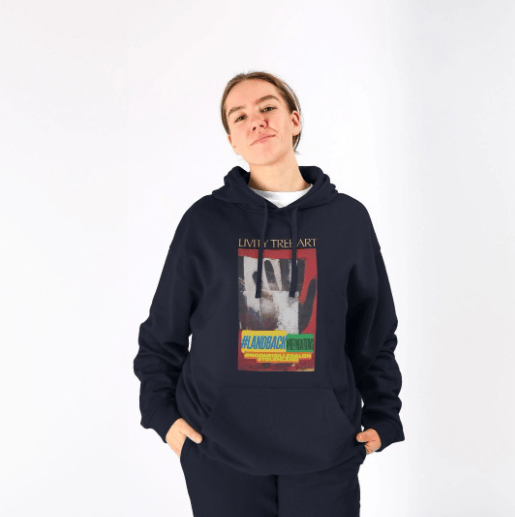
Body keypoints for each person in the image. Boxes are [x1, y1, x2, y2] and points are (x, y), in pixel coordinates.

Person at [133, 71, 405, 516]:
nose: (255, 120)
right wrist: (165, 420)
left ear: (294, 120)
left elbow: (373, 330)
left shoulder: (347, 220)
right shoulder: (205, 222)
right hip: (219, 454)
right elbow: (162, 333)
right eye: (239, 116)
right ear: (232, 141)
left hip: (326, 454)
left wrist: (383, 415)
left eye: (267, 107)